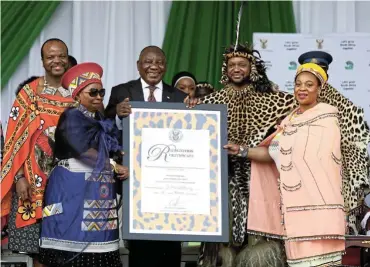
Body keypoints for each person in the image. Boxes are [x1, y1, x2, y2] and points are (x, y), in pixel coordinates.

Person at [185, 45, 370, 267]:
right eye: (232, 64)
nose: (237, 69)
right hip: (226, 183)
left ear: (252, 68)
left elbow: (320, 109)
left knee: (260, 247)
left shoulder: (279, 102)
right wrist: (192, 107)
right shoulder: (214, 101)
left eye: (242, 64)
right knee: (223, 248)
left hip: (270, 190)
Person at [225, 63, 346, 266]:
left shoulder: (326, 119)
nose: (302, 89)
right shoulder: (290, 119)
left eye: (309, 84)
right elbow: (275, 153)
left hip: (317, 212)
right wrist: (242, 151)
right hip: (292, 213)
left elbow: (315, 160)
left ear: (320, 89)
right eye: (298, 84)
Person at [38, 62, 128, 267]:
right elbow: (82, 151)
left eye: (101, 92)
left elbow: (114, 147)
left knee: (101, 246)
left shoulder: (102, 119)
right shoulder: (71, 117)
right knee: (69, 246)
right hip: (72, 188)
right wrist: (114, 165)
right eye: (93, 92)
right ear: (77, 95)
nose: (98, 97)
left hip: (99, 189)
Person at [105, 45, 187, 267]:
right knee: (140, 245)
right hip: (135, 178)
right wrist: (116, 113)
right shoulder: (121, 91)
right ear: (138, 65)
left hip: (169, 181)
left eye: (159, 62)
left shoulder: (179, 96)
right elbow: (104, 124)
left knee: (170, 241)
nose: (154, 66)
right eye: (148, 61)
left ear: (165, 66)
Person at [0, 38, 76, 267]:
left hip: (69, 184)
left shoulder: (77, 94)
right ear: (42, 61)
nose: (57, 61)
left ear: (67, 57)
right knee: (40, 252)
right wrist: (19, 177)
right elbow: (13, 141)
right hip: (33, 186)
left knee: (67, 246)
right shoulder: (28, 94)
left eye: (61, 55)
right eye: (50, 56)